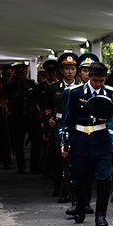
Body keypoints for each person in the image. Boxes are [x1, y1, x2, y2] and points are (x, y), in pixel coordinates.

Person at [61, 62, 113, 226]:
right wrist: (65, 142)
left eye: (101, 80)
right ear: (88, 77)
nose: (98, 84)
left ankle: (101, 215)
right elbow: (67, 120)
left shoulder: (112, 93)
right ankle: (80, 207)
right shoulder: (75, 92)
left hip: (101, 140)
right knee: (78, 178)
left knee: (104, 179)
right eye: (95, 80)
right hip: (80, 140)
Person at [44, 52, 79, 202]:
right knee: (58, 160)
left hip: (76, 127)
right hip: (58, 125)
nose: (70, 72)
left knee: (73, 160)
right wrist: (48, 119)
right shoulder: (53, 88)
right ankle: (58, 186)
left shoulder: (81, 87)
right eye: (67, 69)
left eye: (72, 68)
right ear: (61, 70)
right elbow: (47, 107)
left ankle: (70, 190)